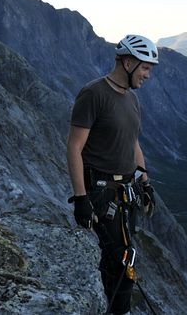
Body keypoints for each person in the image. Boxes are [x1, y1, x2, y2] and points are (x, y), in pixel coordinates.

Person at [66, 35, 158, 315]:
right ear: (127, 62)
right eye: (145, 68)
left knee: (123, 259)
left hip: (125, 193)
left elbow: (133, 143)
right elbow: (74, 147)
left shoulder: (131, 99)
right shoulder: (94, 94)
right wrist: (81, 198)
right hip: (102, 194)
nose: (147, 75)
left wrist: (145, 181)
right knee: (120, 261)